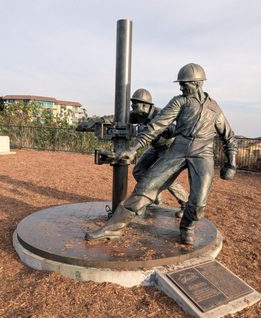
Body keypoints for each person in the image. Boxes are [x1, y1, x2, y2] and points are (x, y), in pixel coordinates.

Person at [86, 63, 237, 245]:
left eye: (184, 83)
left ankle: (187, 227)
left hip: (204, 152)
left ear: (197, 83)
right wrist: (133, 149)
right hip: (178, 148)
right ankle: (112, 229)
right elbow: (156, 126)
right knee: (145, 187)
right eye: (180, 84)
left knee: (198, 201)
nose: (181, 87)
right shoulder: (179, 101)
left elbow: (229, 136)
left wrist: (231, 163)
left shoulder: (214, 108)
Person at [76, 89, 189, 217]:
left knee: (165, 176)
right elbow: (115, 118)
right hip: (154, 147)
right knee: (138, 170)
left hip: (168, 147)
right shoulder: (137, 115)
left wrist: (165, 130)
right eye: (132, 104)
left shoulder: (159, 114)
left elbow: (174, 129)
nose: (132, 106)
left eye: (135, 104)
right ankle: (154, 196)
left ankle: (185, 203)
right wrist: (94, 122)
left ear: (145, 105)